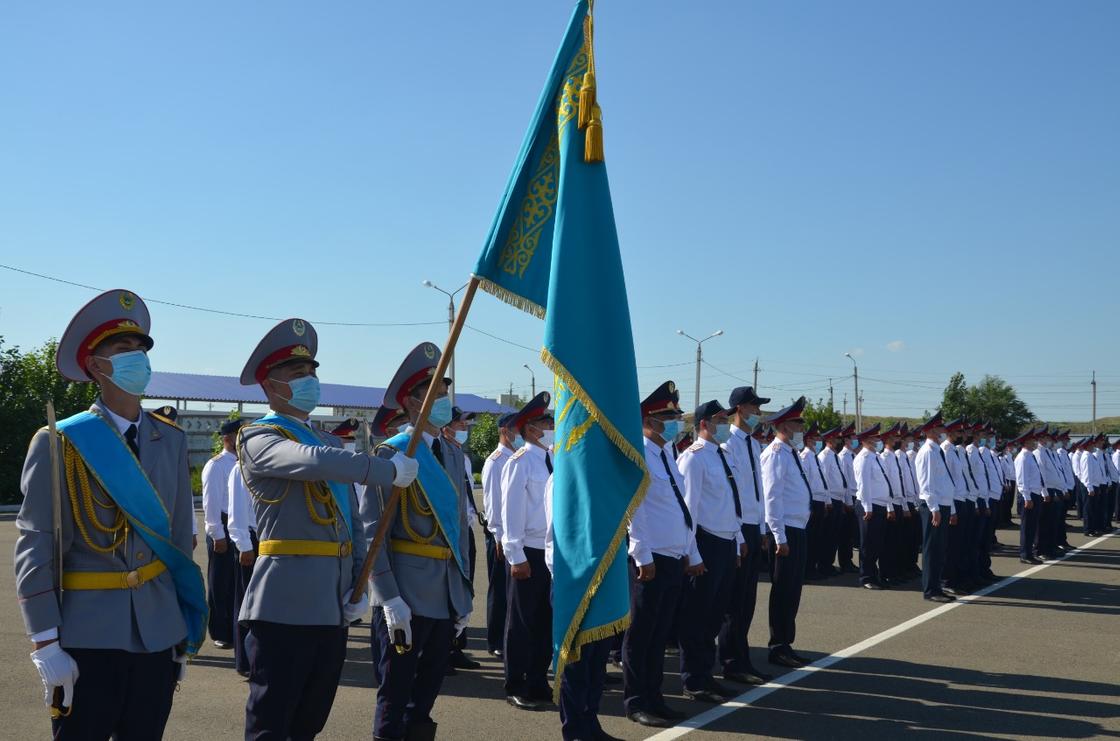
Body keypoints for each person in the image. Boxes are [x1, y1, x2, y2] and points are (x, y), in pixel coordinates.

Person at [14, 289, 205, 739]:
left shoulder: (170, 439)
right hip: (86, 635)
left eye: (140, 350)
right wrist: (45, 642)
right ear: (96, 366)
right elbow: (35, 543)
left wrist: (180, 627)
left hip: (158, 633)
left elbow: (179, 539)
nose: (137, 359)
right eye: (123, 351)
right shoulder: (61, 441)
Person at [236, 319, 418, 741]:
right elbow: (311, 461)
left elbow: (350, 521)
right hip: (282, 606)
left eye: (312, 372)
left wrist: (359, 582)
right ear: (270, 387)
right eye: (297, 375)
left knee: (309, 721)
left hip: (330, 605)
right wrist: (385, 470)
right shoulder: (259, 437)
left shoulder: (328, 444)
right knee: (270, 723)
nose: (309, 381)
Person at [362, 342, 471, 741]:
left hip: (442, 593)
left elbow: (458, 529)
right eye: (434, 394)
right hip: (405, 595)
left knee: (427, 694)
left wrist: (461, 594)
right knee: (394, 693)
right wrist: (388, 598)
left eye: (445, 393)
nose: (444, 401)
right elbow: (374, 532)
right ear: (410, 401)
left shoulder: (453, 454)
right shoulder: (391, 453)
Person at [623, 381, 701, 727]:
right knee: (641, 634)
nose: (673, 421)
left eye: (674, 415)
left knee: (659, 634)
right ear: (649, 419)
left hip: (672, 555)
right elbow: (635, 508)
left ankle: (655, 697)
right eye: (667, 416)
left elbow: (677, 507)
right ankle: (636, 701)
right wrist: (642, 555)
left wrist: (688, 550)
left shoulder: (666, 453)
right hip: (650, 559)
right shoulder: (638, 453)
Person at [676, 400, 741, 701]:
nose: (726, 424)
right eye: (720, 420)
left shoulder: (721, 455)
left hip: (726, 541)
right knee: (698, 616)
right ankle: (693, 679)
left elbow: (730, 502)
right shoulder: (694, 458)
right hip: (705, 543)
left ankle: (706, 672)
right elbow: (688, 511)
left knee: (715, 615)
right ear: (704, 424)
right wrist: (693, 554)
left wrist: (737, 540)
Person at [500, 391, 556, 711]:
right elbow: (511, 513)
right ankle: (516, 683)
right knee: (522, 622)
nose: (550, 426)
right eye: (546, 421)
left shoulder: (554, 459)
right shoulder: (519, 462)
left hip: (551, 552)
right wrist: (515, 555)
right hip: (529, 553)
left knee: (546, 620)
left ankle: (538, 679)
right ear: (530, 428)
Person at [716, 386, 772, 686]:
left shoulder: (752, 444)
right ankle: (731, 661)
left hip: (753, 527)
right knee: (734, 602)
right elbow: (731, 496)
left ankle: (743, 658)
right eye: (753, 408)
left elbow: (758, 492)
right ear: (739, 409)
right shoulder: (728, 445)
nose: (758, 414)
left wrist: (762, 529)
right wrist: (739, 534)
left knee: (747, 599)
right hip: (736, 528)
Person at [760, 396, 812, 668]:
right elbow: (772, 498)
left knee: (793, 590)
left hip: (798, 527)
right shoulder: (775, 454)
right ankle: (777, 646)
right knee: (783, 590)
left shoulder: (791, 452)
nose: (801, 426)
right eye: (797, 421)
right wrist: (778, 536)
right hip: (786, 530)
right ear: (784, 425)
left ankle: (786, 643)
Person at [443, 406, 483, 673]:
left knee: (464, 587)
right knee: (446, 592)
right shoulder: (438, 454)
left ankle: (456, 645)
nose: (464, 429)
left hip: (465, 529)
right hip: (449, 532)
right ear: (446, 427)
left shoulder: (463, 457)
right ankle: (442, 649)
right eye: (460, 425)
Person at [202, 418, 242, 649]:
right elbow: (211, 503)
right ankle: (220, 630)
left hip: (242, 526)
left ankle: (236, 627)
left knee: (238, 581)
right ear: (227, 438)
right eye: (238, 434)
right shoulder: (216, 465)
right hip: (222, 525)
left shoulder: (246, 462)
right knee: (220, 581)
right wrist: (217, 534)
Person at [481, 414, 519, 658]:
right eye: (516, 427)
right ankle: (496, 640)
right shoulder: (496, 461)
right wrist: (498, 536)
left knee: (513, 592)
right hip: (500, 536)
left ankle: (509, 638)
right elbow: (493, 502)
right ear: (505, 430)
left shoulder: (516, 458)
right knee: (499, 590)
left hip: (516, 535)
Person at [913, 411, 956, 602]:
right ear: (931, 430)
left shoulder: (936, 450)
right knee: (932, 548)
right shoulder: (927, 452)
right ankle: (930, 590)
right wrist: (934, 508)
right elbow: (926, 483)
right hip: (933, 506)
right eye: (939, 427)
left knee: (940, 548)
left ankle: (937, 586)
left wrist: (949, 507)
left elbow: (944, 480)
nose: (942, 430)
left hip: (943, 504)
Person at [225, 454, 256, 677]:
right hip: (250, 541)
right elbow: (236, 513)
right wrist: (244, 545)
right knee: (247, 602)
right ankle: (245, 661)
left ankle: (262, 656)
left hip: (269, 540)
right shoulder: (240, 469)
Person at [854, 424, 893, 590]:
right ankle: (866, 577)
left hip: (880, 504)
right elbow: (863, 484)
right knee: (867, 544)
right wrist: (867, 506)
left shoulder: (876, 457)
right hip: (868, 505)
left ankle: (874, 575)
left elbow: (884, 481)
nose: (876, 441)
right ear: (864, 441)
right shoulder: (862, 458)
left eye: (876, 438)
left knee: (877, 543)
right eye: (872, 438)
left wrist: (888, 505)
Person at [817, 425, 851, 576]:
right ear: (829, 439)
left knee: (835, 535)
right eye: (836, 438)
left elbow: (840, 481)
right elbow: (823, 481)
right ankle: (824, 565)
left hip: (838, 500)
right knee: (828, 536)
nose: (838, 441)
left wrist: (844, 500)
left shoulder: (834, 456)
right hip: (830, 501)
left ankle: (829, 564)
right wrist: (827, 501)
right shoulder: (824, 456)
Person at [801, 423, 832, 581]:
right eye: (815, 438)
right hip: (812, 501)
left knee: (817, 538)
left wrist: (826, 501)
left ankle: (813, 568)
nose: (818, 440)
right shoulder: (805, 456)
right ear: (808, 440)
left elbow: (822, 480)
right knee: (810, 538)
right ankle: (807, 571)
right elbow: (806, 482)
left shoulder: (815, 456)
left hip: (820, 501)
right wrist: (809, 504)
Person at [1014, 428, 1046, 564]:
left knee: (1032, 526)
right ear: (1026, 442)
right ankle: (1025, 554)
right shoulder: (1022, 457)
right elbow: (1022, 480)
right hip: (1029, 495)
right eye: (1032, 440)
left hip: (1035, 494)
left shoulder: (1030, 456)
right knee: (1027, 527)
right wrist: (1027, 497)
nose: (1035, 443)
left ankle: (1029, 553)